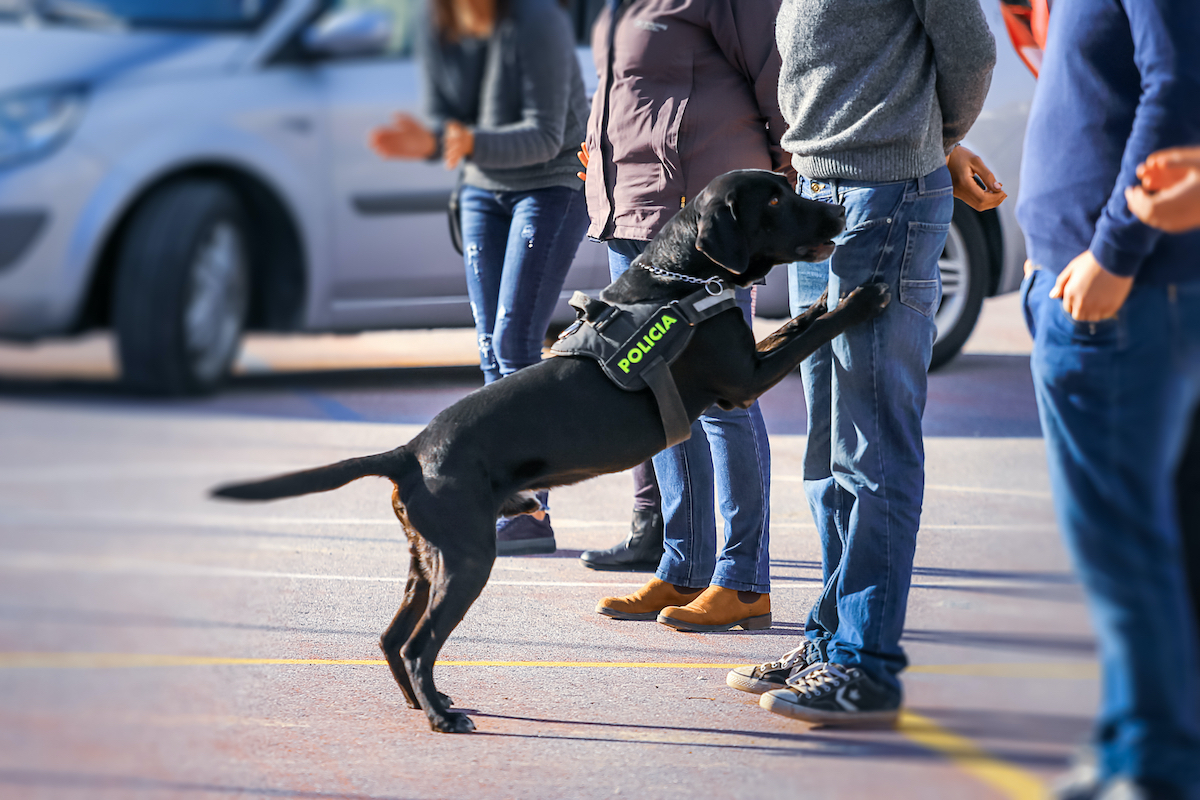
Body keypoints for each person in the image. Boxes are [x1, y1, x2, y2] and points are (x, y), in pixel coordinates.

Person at [726, 0, 1002, 725]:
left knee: (871, 446)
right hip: (819, 197)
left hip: (885, 197)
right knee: (828, 449)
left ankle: (865, 664)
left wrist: (926, 143)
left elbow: (970, 54)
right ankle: (829, 640)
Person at [1014, 0, 1200, 795]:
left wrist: (1113, 250)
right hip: (1083, 281)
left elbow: (1178, 88)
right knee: (1121, 544)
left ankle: (1156, 763)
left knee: (1123, 546)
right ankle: (1133, 743)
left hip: (1116, 287)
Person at [578, 0, 791, 631]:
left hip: (704, 228)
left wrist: (778, 192)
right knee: (660, 397)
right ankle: (683, 567)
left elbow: (780, 78)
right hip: (633, 216)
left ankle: (743, 580)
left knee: (724, 400)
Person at [369, 0, 590, 556]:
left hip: (548, 183)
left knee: (516, 344)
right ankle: (507, 500)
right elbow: (445, 116)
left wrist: (465, 141)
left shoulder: (539, 20)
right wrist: (434, 142)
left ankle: (533, 509)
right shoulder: (437, 21)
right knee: (492, 346)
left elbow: (543, 135)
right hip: (479, 189)